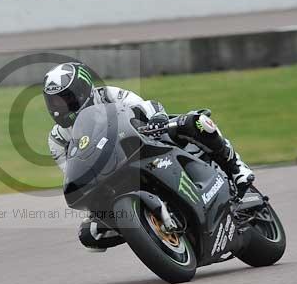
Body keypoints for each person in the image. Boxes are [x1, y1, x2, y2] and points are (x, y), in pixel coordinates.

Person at [43, 62, 254, 252]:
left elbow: (144, 106)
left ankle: (236, 166)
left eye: (65, 99)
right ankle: (145, 228)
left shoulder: (108, 95)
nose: (58, 107)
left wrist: (156, 119)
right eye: (53, 102)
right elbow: (75, 174)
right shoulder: (57, 139)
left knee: (195, 121)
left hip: (146, 141)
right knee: (89, 234)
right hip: (113, 173)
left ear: (82, 91)